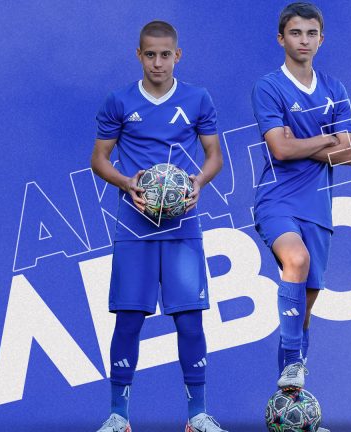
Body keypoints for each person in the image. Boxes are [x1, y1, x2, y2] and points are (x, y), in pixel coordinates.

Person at [90, 20, 227, 432]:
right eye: (149, 54)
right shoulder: (119, 101)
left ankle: (197, 416)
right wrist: (126, 182)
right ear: (138, 55)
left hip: (182, 227)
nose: (157, 62)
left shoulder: (197, 98)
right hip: (135, 228)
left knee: (190, 320)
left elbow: (214, 156)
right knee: (129, 319)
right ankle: (118, 416)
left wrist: (199, 183)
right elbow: (98, 160)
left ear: (177, 56)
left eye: (165, 54)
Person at [251, 2, 351, 393]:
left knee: (304, 308)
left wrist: (303, 142)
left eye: (311, 34)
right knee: (296, 259)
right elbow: (280, 149)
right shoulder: (268, 87)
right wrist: (327, 139)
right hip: (277, 200)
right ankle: (294, 363)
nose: (304, 41)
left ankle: (289, 391)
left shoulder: (334, 89)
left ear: (321, 39)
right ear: (281, 39)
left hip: (318, 209)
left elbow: (350, 152)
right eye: (296, 33)